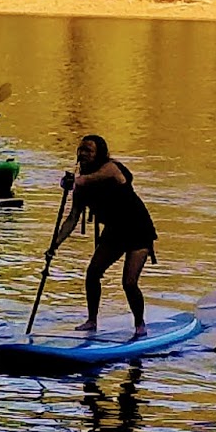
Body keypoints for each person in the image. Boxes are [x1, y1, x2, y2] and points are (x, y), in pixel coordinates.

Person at [49, 134, 159, 338]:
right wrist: (55, 244)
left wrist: (76, 181)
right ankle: (92, 321)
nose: (83, 154)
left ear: (99, 153)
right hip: (114, 232)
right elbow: (72, 218)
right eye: (81, 149)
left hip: (138, 229)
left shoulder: (112, 168)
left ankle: (139, 324)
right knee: (92, 274)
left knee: (129, 282)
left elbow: (96, 177)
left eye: (88, 150)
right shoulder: (81, 188)